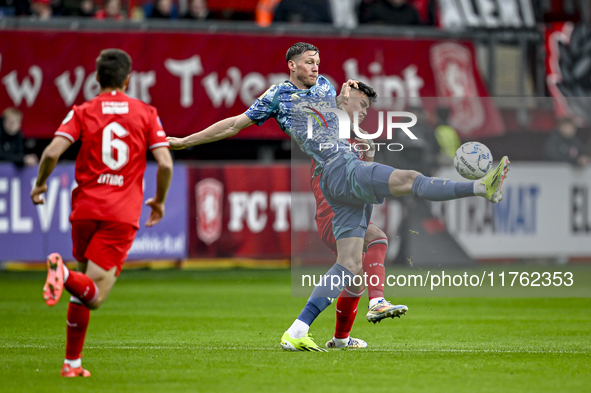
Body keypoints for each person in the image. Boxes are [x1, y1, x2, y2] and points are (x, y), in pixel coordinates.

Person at [167, 42, 510, 352]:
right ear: (291, 65)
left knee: (352, 261)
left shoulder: (327, 86)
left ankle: (300, 330)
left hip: (341, 169)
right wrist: (184, 142)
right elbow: (232, 125)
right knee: (409, 180)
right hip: (338, 168)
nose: (315, 67)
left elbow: (340, 123)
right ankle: (481, 187)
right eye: (307, 62)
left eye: (317, 61)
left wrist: (359, 131)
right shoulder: (277, 96)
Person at [31, 49, 173, 377]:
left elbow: (52, 151)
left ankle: (72, 363)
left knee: (83, 288)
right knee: (94, 295)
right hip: (119, 214)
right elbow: (164, 162)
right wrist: (160, 200)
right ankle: (62, 274)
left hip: (84, 210)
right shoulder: (146, 113)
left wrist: (39, 184)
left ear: (96, 79)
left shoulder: (83, 110)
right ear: (127, 79)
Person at [310, 81, 398, 349]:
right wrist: (342, 98)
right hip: (334, 214)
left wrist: (368, 158)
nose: (364, 111)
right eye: (360, 104)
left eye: (367, 108)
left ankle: (340, 339)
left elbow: (361, 184)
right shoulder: (329, 131)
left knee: (357, 278)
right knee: (378, 239)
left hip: (344, 212)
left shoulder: (355, 142)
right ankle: (378, 301)